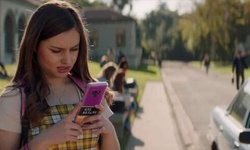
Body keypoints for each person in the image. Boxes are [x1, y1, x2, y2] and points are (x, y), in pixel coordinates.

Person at [0, 1, 120, 150]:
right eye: (56, 51)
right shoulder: (14, 99)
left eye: (74, 49)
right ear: (34, 46)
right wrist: (46, 139)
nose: (67, 60)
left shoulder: (89, 91)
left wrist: (109, 130)